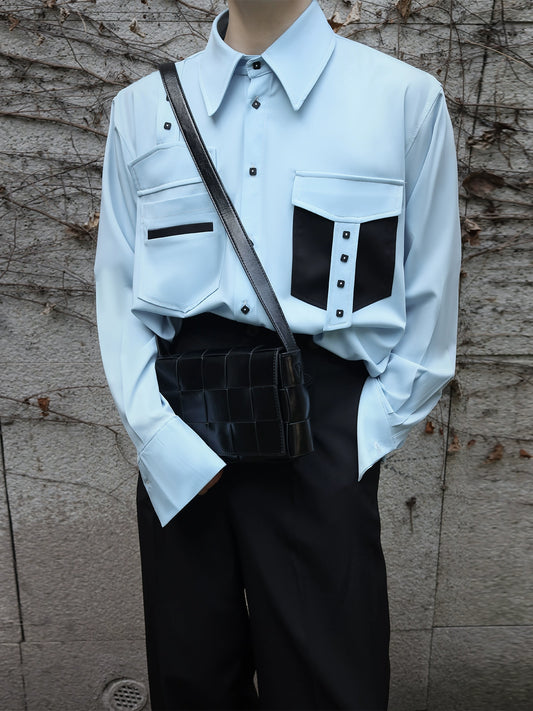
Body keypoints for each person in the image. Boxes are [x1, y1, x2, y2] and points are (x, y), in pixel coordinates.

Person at [94, 0, 461, 708]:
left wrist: (361, 436)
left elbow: (430, 292)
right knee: (192, 678)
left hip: (322, 426)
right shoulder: (142, 109)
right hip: (183, 422)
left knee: (330, 682)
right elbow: (117, 287)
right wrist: (157, 434)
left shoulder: (401, 100)